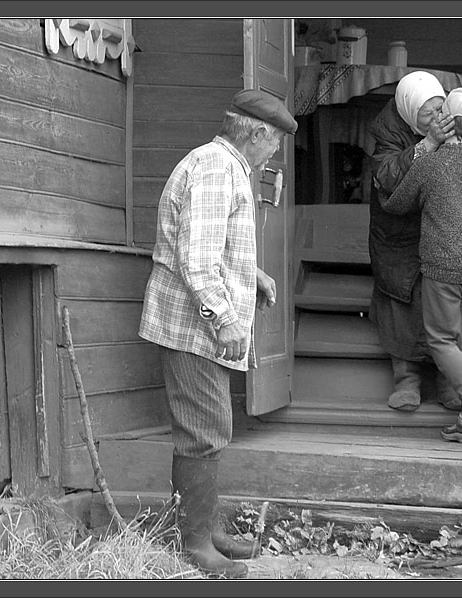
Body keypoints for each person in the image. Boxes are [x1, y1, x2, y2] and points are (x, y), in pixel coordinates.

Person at [138, 89, 297, 578]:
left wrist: (255, 277)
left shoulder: (222, 165)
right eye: (275, 143)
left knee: (206, 429)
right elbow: (198, 260)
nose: (275, 154)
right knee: (203, 433)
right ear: (259, 135)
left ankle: (203, 532)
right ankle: (195, 546)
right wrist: (225, 318)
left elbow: (217, 248)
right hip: (193, 328)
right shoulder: (214, 170)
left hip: (194, 324)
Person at [368, 71, 462, 414]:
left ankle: (453, 385)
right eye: (428, 115)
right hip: (401, 235)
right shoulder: (387, 128)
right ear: (408, 113)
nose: (439, 119)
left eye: (440, 109)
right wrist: (426, 145)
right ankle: (407, 378)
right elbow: (387, 183)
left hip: (448, 239)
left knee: (453, 325)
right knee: (403, 300)